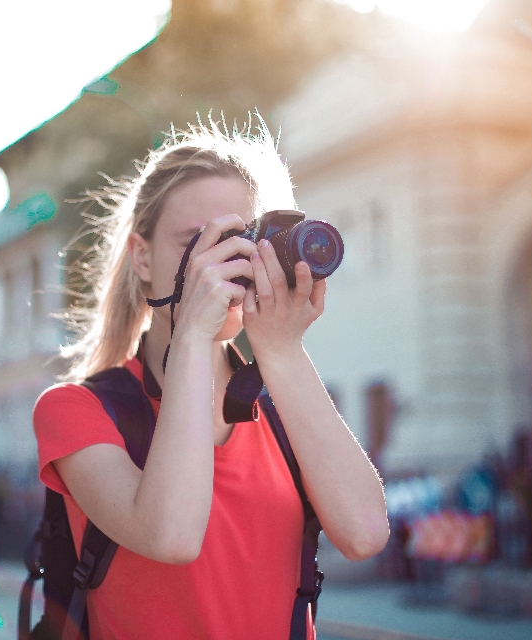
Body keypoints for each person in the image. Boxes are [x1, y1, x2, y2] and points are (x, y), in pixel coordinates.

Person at [34, 117, 389, 640]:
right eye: (196, 242)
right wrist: (194, 336)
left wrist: (281, 350)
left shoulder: (282, 407)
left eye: (241, 240)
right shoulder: (75, 411)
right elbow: (171, 536)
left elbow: (364, 535)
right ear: (142, 257)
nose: (221, 264)